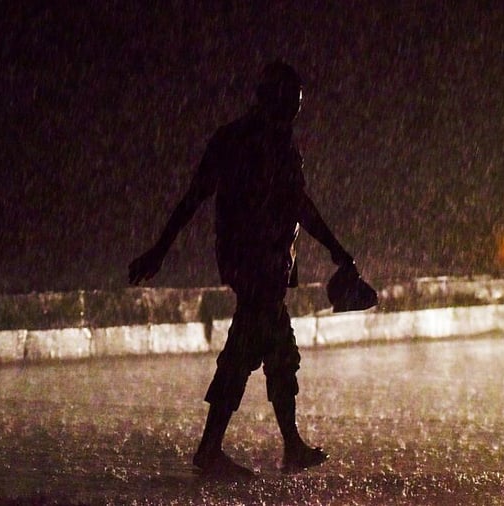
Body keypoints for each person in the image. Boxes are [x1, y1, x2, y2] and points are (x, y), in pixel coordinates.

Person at [128, 61, 367, 477]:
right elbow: (209, 197)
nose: (294, 110)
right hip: (256, 261)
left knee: (279, 352)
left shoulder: (254, 140)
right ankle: (211, 449)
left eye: (297, 103)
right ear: (270, 98)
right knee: (244, 352)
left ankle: (289, 446)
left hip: (263, 261)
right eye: (290, 101)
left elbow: (200, 198)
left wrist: (159, 249)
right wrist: (335, 249)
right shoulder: (254, 143)